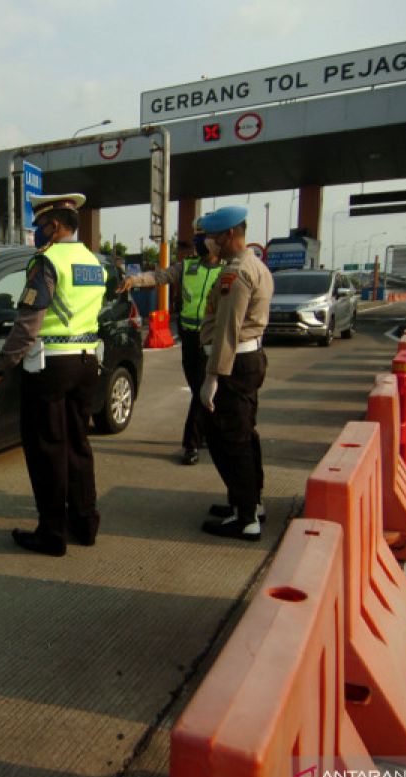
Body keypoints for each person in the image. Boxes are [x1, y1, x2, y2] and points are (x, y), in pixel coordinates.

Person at [0, 193, 105, 557]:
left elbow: (27, 325)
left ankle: (51, 533)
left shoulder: (46, 262)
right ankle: (84, 524)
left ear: (55, 224)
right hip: (87, 361)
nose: (37, 233)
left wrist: (0, 367)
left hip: (51, 366)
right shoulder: (93, 261)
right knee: (78, 445)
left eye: (39, 226)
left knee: (47, 449)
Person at [194, 206, 273, 541]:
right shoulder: (255, 265)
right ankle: (250, 501)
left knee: (230, 439)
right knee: (243, 433)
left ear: (229, 235)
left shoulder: (235, 273)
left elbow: (228, 328)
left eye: (212, 237)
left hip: (232, 365)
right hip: (247, 360)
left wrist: (212, 377)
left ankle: (246, 517)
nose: (209, 244)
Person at [119, 222, 224, 465]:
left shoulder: (228, 270)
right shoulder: (187, 266)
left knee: (202, 391)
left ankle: (191, 444)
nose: (199, 242)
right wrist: (135, 280)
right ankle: (205, 433)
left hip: (213, 339)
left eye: (204, 237)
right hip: (189, 338)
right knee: (201, 390)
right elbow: (159, 276)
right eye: (196, 237)